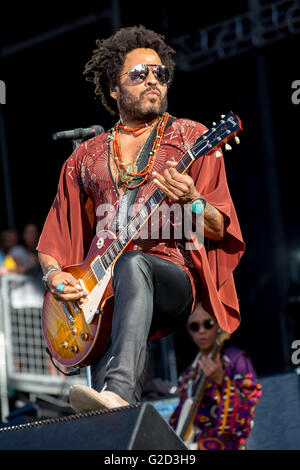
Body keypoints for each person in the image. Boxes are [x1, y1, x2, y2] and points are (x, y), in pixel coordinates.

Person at [36, 25, 245, 413]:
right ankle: (114, 414)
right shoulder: (84, 158)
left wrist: (193, 201)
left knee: (134, 264)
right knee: (99, 410)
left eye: (159, 73)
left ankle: (118, 390)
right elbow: (54, 240)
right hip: (108, 291)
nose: (153, 79)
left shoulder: (190, 136)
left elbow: (218, 227)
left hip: (172, 277)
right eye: (139, 74)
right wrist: (54, 276)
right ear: (114, 89)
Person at [169, 303, 262, 450]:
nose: (201, 331)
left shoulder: (236, 360)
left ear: (219, 324)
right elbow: (176, 426)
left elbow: (245, 421)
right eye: (194, 326)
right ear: (188, 330)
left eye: (208, 324)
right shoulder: (187, 376)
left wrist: (221, 380)